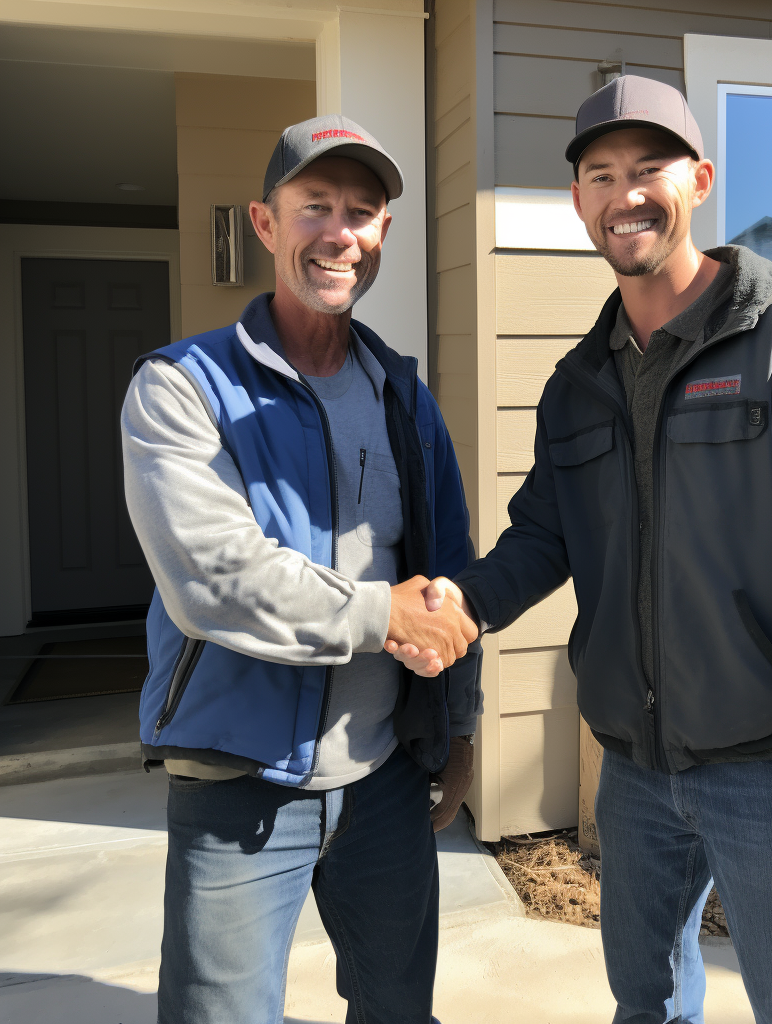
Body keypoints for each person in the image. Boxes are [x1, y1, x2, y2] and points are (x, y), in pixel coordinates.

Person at [387, 76, 772, 1023]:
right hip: (633, 773)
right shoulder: (578, 381)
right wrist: (466, 606)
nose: (624, 194)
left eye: (649, 168)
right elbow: (545, 536)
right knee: (645, 1005)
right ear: (578, 202)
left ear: (701, 180)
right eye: (601, 174)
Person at [121, 113, 480, 1024]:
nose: (339, 232)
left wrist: (461, 722)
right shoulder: (181, 387)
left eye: (362, 212)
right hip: (240, 784)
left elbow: (447, 567)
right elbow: (214, 579)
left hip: (387, 781)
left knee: (399, 1010)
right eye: (314, 204)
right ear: (264, 222)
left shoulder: (403, 392)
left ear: (384, 234)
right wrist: (382, 616)